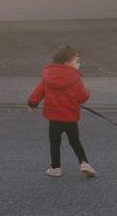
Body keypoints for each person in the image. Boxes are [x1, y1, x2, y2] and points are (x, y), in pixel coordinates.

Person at [28, 45, 97, 178]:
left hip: (54, 118)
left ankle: (56, 168)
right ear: (66, 63)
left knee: (55, 144)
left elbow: (39, 91)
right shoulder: (74, 78)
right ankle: (84, 163)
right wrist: (87, 93)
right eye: (77, 61)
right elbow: (82, 97)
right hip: (70, 117)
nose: (79, 64)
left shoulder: (48, 76)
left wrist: (32, 103)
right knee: (75, 142)